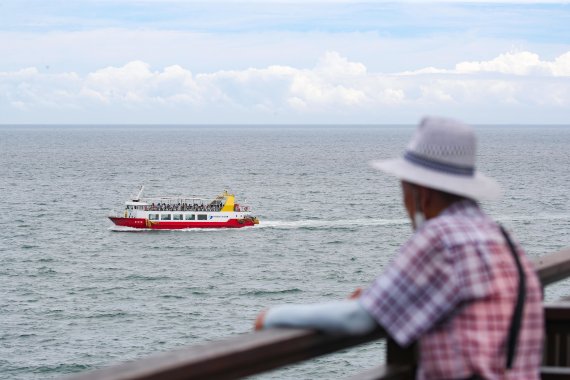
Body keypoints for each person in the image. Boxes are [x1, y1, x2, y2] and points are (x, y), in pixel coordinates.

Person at [254, 117, 544, 379]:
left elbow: (357, 319)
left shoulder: (441, 237)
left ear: (422, 192)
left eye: (403, 188)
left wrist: (273, 316)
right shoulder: (502, 238)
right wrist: (383, 298)